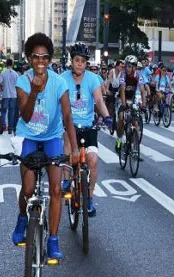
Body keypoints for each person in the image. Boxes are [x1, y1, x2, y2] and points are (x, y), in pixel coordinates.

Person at [11, 32, 79, 260]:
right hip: (29, 136)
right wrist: (34, 92)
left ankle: (53, 239)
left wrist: (75, 149)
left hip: (51, 138)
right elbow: (27, 116)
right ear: (29, 58)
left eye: (45, 57)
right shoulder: (22, 81)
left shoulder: (60, 82)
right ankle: (22, 218)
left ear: (50, 60)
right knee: (28, 189)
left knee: (56, 189)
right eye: (36, 57)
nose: (40, 62)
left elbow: (68, 117)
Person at [61, 43, 111, 217]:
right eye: (77, 60)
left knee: (93, 161)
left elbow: (99, 100)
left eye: (83, 61)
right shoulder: (63, 78)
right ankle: (66, 180)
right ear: (72, 61)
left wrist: (106, 117)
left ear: (86, 63)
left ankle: (89, 198)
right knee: (68, 151)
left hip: (88, 126)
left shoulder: (93, 79)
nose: (80, 64)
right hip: (70, 125)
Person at [115, 55, 146, 153]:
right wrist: (124, 105)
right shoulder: (123, 75)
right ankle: (119, 139)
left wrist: (144, 104)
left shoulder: (138, 75)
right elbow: (123, 90)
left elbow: (142, 90)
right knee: (121, 118)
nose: (127, 68)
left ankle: (134, 145)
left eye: (129, 66)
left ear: (134, 67)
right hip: (122, 98)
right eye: (126, 66)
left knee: (135, 122)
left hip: (132, 99)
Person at [0, 58, 20, 134]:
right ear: (12, 64)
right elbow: (18, 85)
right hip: (14, 95)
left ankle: (4, 125)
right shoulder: (16, 74)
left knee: (3, 111)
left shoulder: (3, 73)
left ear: (6, 64)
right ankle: (10, 128)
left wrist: (2, 88)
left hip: (5, 95)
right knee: (12, 112)